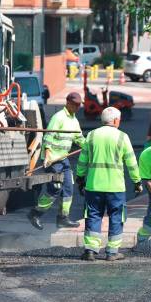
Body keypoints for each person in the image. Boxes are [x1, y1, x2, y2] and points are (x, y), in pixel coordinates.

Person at [76, 106, 141, 262]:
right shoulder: (122, 137)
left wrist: (80, 178)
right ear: (116, 120)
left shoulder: (91, 136)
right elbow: (131, 163)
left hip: (94, 185)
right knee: (116, 217)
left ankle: (90, 250)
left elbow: (82, 160)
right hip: (115, 187)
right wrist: (137, 181)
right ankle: (112, 252)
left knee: (93, 216)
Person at [28, 92, 86, 230]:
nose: (78, 107)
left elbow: (79, 138)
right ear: (68, 103)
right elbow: (48, 137)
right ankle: (35, 213)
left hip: (63, 159)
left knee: (68, 189)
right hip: (53, 160)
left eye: (79, 105)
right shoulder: (58, 117)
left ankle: (63, 218)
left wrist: (90, 146)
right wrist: (47, 156)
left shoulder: (74, 120)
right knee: (55, 189)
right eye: (76, 105)